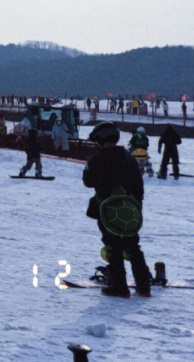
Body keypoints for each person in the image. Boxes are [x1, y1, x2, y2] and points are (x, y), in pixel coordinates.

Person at [83, 122, 150, 297]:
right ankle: (144, 285)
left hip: (107, 211)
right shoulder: (129, 158)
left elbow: (88, 181)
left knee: (113, 246)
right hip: (129, 210)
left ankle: (119, 287)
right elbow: (139, 186)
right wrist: (136, 205)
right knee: (133, 246)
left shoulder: (96, 160)